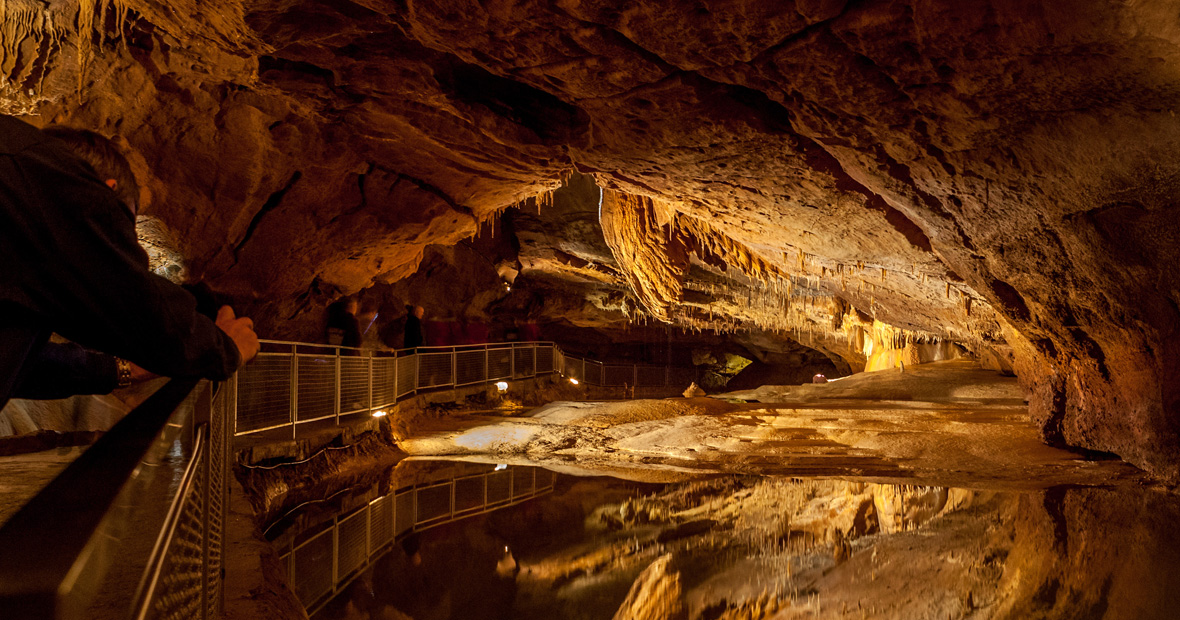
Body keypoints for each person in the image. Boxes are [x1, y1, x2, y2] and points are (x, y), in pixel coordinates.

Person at [0, 116, 259, 410]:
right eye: (120, 229)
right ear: (106, 191)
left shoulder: (19, 200)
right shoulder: (59, 187)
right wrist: (226, 348)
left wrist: (123, 371)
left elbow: (22, 366)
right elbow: (138, 305)